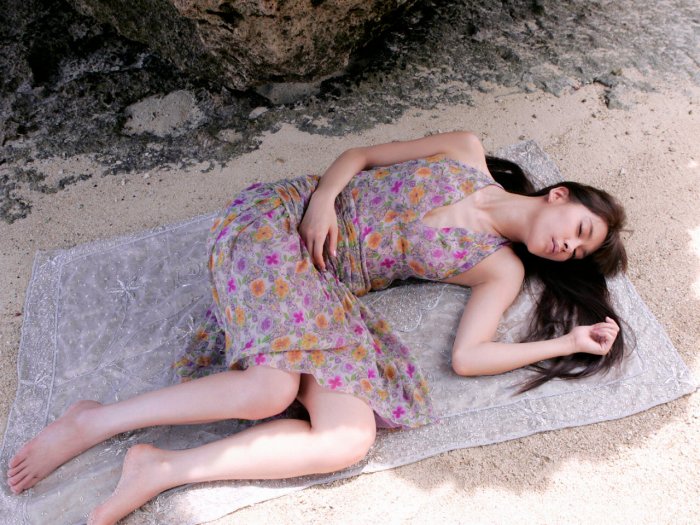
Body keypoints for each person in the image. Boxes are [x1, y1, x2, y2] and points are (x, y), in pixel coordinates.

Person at [6, 131, 626, 524]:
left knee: (347, 439)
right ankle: (95, 421)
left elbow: (470, 356)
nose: (567, 247)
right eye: (579, 230)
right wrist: (325, 199)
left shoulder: (499, 269)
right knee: (270, 390)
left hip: (322, 292)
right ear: (559, 195)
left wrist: (569, 342)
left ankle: (162, 468)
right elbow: (360, 157)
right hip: (281, 222)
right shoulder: (464, 150)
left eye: (577, 252)